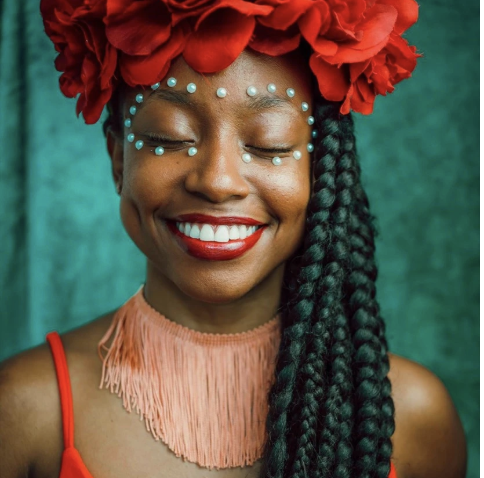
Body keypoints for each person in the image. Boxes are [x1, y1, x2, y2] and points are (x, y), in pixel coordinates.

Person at [0, 1, 467, 478]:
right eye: (170, 136)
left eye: (269, 144)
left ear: (323, 172)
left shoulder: (409, 418)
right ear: (118, 159)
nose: (217, 181)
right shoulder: (26, 410)